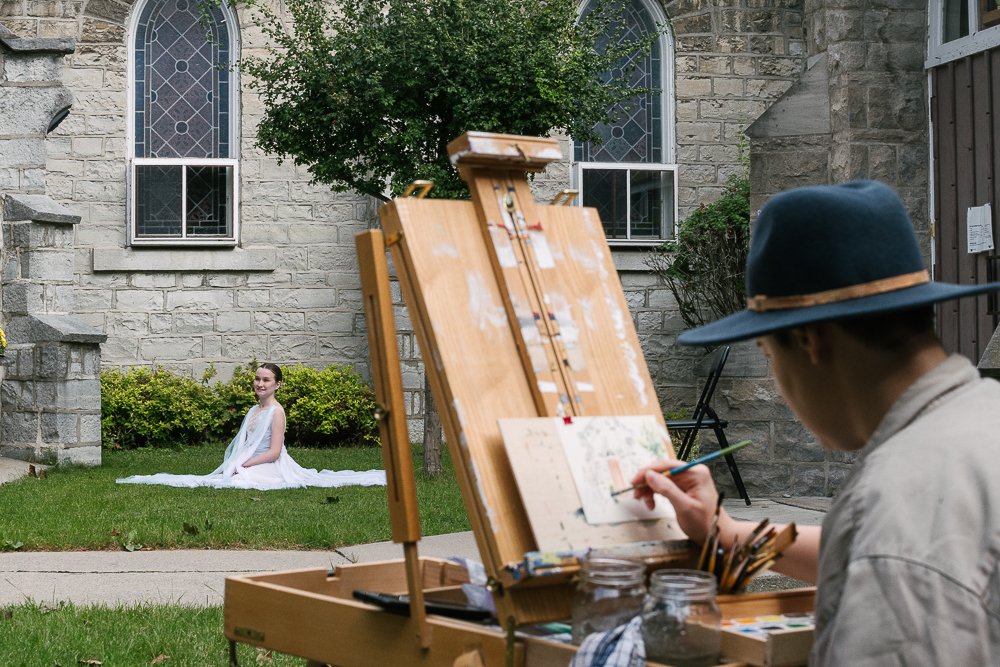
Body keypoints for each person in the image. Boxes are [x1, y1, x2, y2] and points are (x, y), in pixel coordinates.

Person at [631, 181, 1000, 665]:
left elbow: (890, 551)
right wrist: (724, 531)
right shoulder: (980, 418)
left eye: (768, 354)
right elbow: (867, 550)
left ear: (810, 342)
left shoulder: (896, 505)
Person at [117, 363, 386, 490]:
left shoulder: (276, 412)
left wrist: (245, 465)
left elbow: (275, 451)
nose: (260, 384)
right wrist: (235, 460)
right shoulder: (253, 410)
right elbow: (244, 443)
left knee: (242, 479)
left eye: (266, 380)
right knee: (223, 477)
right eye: (257, 379)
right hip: (253, 459)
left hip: (271, 463)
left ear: (277, 384)